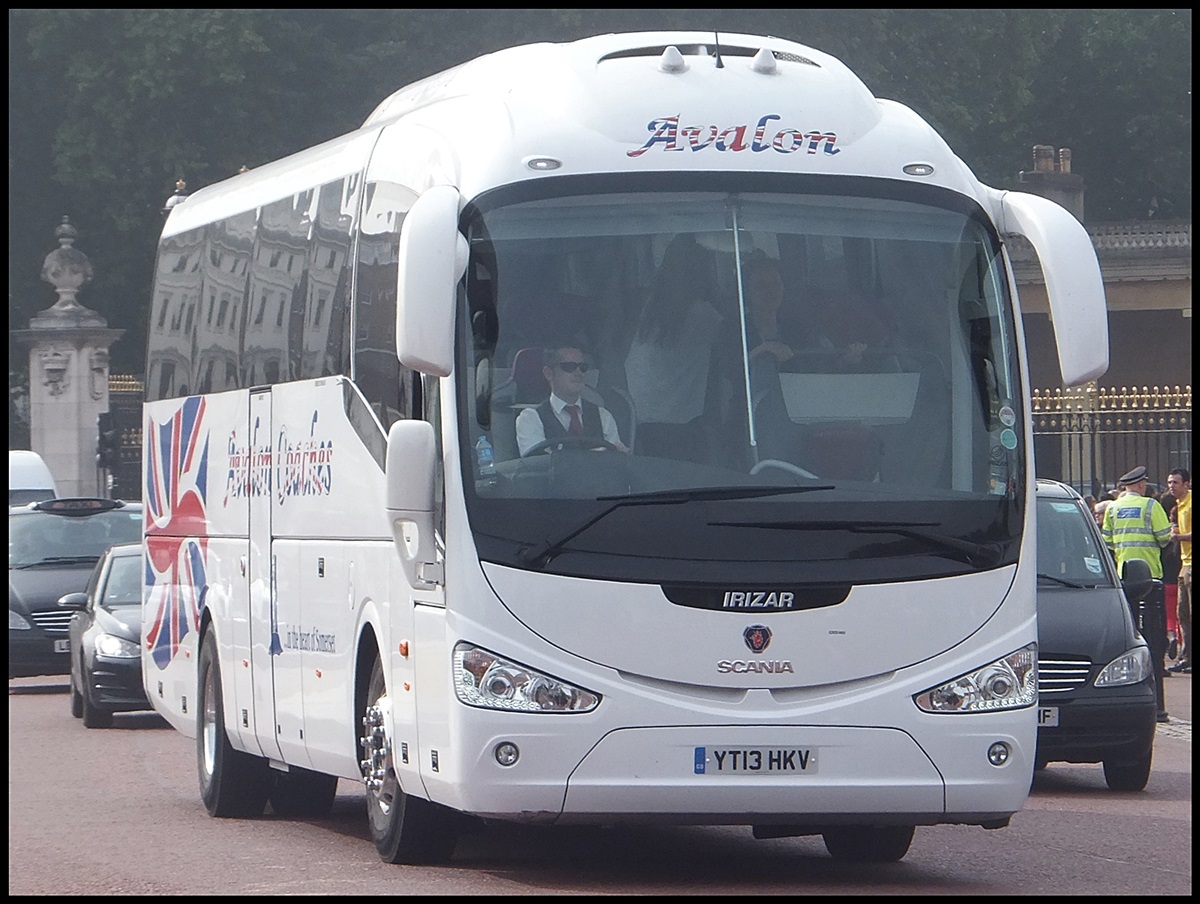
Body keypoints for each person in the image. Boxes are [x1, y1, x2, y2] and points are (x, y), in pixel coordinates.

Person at [623, 234, 728, 462]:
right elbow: (736, 349)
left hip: (636, 418)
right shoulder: (705, 315)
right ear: (703, 271)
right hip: (678, 426)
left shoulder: (647, 309)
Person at [1101, 465, 1173, 721]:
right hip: (1151, 577)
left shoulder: (1113, 508)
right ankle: (1157, 703)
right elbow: (1165, 538)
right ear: (1142, 485)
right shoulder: (1151, 506)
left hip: (1124, 579)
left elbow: (1107, 542)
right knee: (1153, 640)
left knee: (1130, 635)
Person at [515, 344, 629, 457]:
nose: (578, 373)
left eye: (583, 367)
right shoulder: (530, 419)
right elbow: (536, 466)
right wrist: (597, 454)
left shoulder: (603, 416)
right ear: (548, 373)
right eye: (569, 367)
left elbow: (616, 465)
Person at [1166, 468, 1192, 674]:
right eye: (1169, 483)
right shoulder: (1178, 505)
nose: (1171, 486)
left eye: (1175, 482)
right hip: (1185, 564)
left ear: (1186, 484)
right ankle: (1187, 656)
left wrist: (1179, 537)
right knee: (1182, 613)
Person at [1158, 487, 1181, 665]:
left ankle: (1171, 634)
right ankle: (1181, 643)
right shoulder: (1181, 533)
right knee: (1182, 614)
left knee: (1169, 614)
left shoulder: (1165, 534)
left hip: (1165, 577)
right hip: (1180, 573)